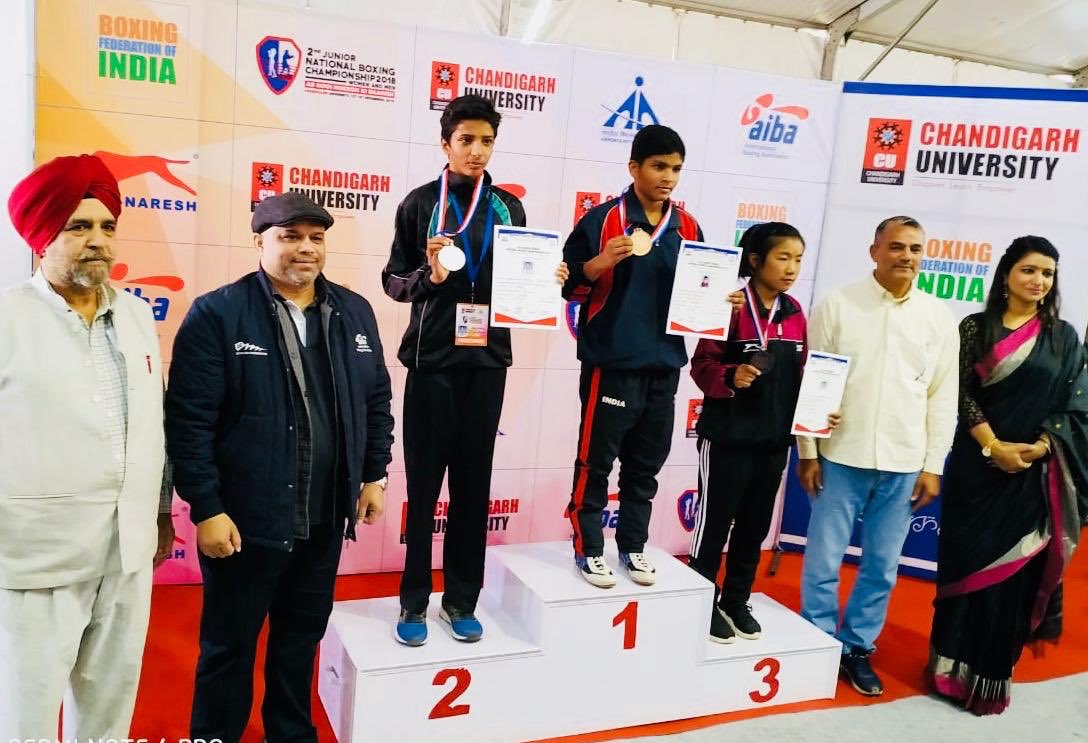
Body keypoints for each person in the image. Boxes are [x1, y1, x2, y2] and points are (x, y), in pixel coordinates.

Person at [166, 192, 393, 742]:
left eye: (316, 238)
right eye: (290, 236)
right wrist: (208, 508)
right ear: (259, 241)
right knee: (228, 649)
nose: (306, 249)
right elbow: (189, 421)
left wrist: (373, 473)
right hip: (246, 523)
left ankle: (290, 734)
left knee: (299, 643)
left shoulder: (353, 310)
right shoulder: (218, 313)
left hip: (323, 520)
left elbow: (376, 399)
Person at [383, 94, 567, 646]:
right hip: (431, 363)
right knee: (423, 487)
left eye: (487, 140)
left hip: (486, 364)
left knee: (473, 489)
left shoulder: (509, 207)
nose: (477, 150)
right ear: (446, 143)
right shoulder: (419, 204)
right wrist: (431, 278)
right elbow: (393, 282)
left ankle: (462, 599)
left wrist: (544, 280)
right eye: (466, 139)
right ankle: (414, 601)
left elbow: (519, 283)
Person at [0, 154, 174, 738]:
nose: (97, 241)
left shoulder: (135, 315)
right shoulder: (8, 319)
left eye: (106, 226)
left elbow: (155, 423)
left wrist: (157, 513)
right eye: (78, 227)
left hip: (126, 554)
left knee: (108, 715)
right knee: (23, 718)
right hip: (34, 559)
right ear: (41, 237)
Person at [797, 215, 958, 696]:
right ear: (875, 251)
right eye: (896, 247)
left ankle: (857, 647)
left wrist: (933, 465)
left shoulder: (937, 316)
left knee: (882, 566)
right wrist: (808, 451)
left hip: (905, 461)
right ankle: (818, 641)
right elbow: (815, 379)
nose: (906, 256)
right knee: (823, 559)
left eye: (914, 248)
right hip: (840, 456)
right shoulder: (838, 305)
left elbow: (941, 396)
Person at [927, 236, 1087, 715]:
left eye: (1048, 273)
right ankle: (947, 670)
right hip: (977, 474)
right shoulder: (975, 328)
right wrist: (993, 446)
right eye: (1029, 271)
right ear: (1005, 275)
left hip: (1032, 478)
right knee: (965, 571)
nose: (1039, 281)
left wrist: (1040, 447)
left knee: (1013, 581)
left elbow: (1076, 406)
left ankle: (991, 678)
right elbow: (958, 392)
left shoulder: (1065, 337)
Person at [562, 124, 708, 588]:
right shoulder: (601, 220)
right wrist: (601, 262)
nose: (668, 177)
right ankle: (589, 548)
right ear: (634, 168)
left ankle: (633, 546)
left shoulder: (688, 226)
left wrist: (718, 300)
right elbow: (571, 285)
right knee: (596, 463)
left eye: (676, 169)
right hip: (613, 362)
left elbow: (698, 289)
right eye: (659, 166)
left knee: (645, 466)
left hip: (664, 365)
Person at [689, 222, 839, 643]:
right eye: (782, 257)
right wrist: (729, 377)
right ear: (755, 260)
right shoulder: (730, 304)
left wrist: (822, 410)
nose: (792, 268)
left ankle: (736, 600)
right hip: (727, 438)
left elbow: (808, 374)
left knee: (754, 529)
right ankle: (702, 602)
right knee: (713, 525)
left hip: (773, 441)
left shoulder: (794, 313)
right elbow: (702, 366)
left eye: (797, 259)